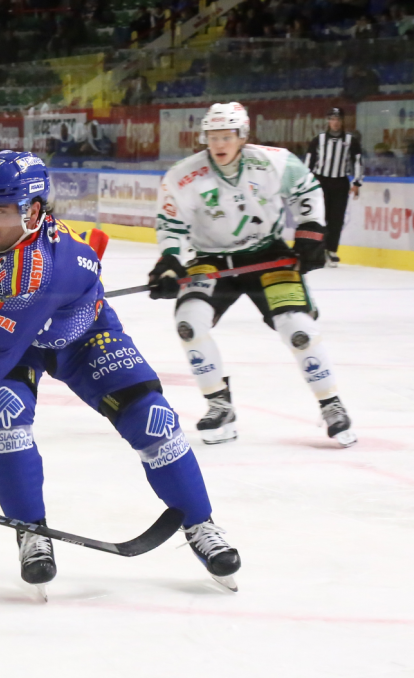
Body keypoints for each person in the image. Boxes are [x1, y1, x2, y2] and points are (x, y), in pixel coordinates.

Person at [0, 150, 241, 594]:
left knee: (153, 419)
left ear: (33, 210)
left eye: (2, 211)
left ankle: (200, 523)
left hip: (82, 338)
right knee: (3, 415)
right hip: (12, 339)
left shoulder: (49, 264)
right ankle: (31, 530)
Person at [150, 102, 355, 447]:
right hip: (211, 260)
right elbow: (171, 223)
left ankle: (332, 404)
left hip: (268, 255)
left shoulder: (275, 162)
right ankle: (219, 404)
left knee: (298, 327)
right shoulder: (183, 175)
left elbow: (307, 189)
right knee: (189, 322)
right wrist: (170, 261)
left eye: (227, 135)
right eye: (212, 136)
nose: (219, 143)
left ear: (242, 136)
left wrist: (310, 232)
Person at [305, 107, 363, 266]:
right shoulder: (319, 139)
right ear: (328, 121)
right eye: (332, 119)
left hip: (340, 182)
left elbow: (357, 162)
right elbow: (309, 162)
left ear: (342, 121)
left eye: (338, 119)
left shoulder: (351, 140)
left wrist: (357, 182)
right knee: (319, 217)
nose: (335, 122)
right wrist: (306, 181)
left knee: (336, 219)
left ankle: (331, 250)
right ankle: (318, 250)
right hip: (321, 181)